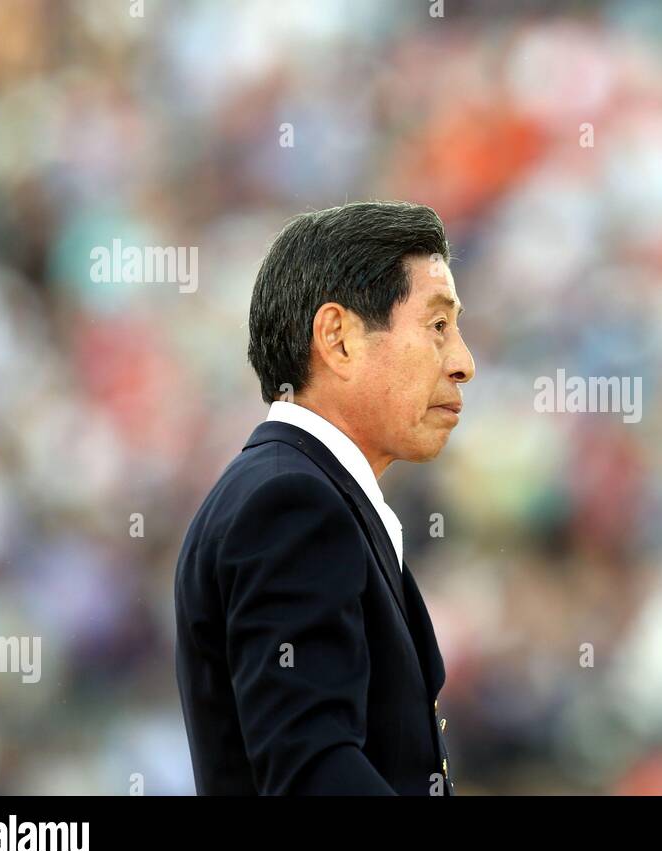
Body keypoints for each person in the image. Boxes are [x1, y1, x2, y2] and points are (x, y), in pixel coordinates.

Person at [174, 201, 475, 795]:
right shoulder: (292, 504)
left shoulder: (293, 491)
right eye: (438, 326)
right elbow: (311, 770)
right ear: (338, 339)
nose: (463, 363)